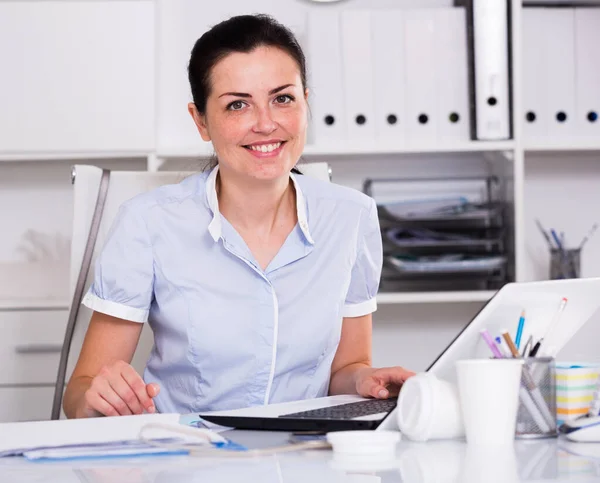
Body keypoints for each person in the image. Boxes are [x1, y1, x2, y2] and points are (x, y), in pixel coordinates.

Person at [63, 14, 415, 419]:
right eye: (237, 105)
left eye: (283, 98)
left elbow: (345, 369)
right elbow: (80, 392)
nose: (266, 124)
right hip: (187, 457)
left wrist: (365, 381)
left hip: (303, 456)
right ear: (201, 121)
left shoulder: (351, 217)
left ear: (305, 101)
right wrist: (97, 397)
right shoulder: (147, 222)